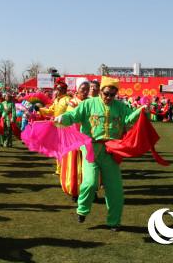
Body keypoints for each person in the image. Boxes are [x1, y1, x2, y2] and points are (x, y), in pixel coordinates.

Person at [56, 76, 142, 231]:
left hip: (111, 151)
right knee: (90, 183)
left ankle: (114, 222)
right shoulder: (88, 104)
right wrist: (64, 118)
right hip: (91, 149)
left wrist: (141, 111)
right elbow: (73, 116)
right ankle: (82, 209)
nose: (109, 97)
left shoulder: (120, 106)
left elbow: (129, 119)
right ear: (101, 91)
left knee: (115, 189)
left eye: (112, 95)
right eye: (106, 93)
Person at [61, 78, 90, 202]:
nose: (85, 91)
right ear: (77, 89)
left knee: (89, 166)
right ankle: (75, 191)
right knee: (75, 166)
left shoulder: (91, 101)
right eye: (83, 89)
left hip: (89, 138)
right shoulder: (72, 103)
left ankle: (90, 190)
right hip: (75, 139)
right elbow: (71, 120)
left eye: (87, 89)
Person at [39, 81, 72, 174]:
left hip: (66, 128)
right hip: (57, 127)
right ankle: (59, 169)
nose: (57, 91)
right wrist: (39, 109)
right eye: (56, 89)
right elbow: (51, 111)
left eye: (59, 89)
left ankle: (66, 168)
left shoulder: (68, 100)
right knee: (58, 148)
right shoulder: (57, 100)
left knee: (65, 149)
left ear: (64, 90)